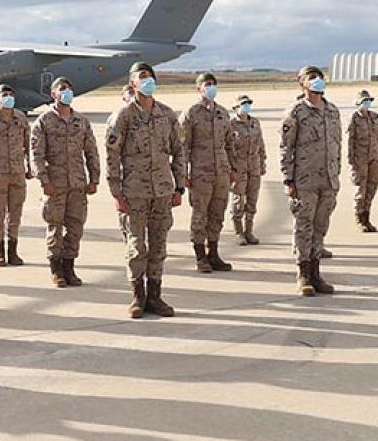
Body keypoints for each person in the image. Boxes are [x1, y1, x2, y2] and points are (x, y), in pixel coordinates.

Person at [106, 62, 183, 318]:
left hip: (162, 191)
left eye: (151, 76)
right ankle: (137, 296)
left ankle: (155, 296)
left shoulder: (168, 115)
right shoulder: (123, 116)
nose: (148, 80)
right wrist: (116, 192)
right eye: (142, 76)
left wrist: (179, 186)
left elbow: (178, 152)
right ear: (133, 84)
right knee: (137, 246)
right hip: (134, 192)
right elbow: (112, 156)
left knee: (159, 246)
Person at [30, 77, 100, 288]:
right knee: (55, 227)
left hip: (78, 183)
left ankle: (69, 267)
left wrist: (94, 178)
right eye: (62, 89)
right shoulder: (44, 121)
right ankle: (56, 269)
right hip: (55, 184)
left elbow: (91, 151)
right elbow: (36, 153)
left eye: (69, 88)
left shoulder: (81, 121)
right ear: (54, 94)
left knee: (76, 227)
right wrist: (43, 180)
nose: (67, 92)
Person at [280, 65, 340, 296]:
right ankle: (303, 273)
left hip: (328, 179)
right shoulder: (295, 112)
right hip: (304, 180)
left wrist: (337, 174)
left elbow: (336, 146)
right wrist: (288, 180)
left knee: (320, 228)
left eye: (320, 77)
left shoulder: (332, 111)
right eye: (311, 78)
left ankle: (316, 272)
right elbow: (286, 148)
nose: (317, 81)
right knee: (303, 227)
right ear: (302, 84)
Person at [182, 72, 236, 272]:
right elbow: (183, 147)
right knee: (200, 215)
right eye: (207, 84)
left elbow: (230, 144)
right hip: (200, 173)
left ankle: (213, 253)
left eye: (213, 84)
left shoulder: (223, 113)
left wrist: (233, 169)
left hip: (221, 172)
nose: (211, 87)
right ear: (199, 88)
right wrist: (183, 174)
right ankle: (200, 256)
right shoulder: (191, 113)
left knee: (217, 214)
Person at [0, 84, 32, 266]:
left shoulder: (21, 118)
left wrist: (30, 167)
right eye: (4, 94)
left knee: (15, 214)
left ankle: (13, 250)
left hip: (17, 172)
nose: (8, 97)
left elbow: (28, 145)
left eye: (11, 94)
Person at [346, 89, 378, 233]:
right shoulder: (354, 119)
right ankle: (359, 217)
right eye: (364, 101)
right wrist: (351, 159)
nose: (367, 103)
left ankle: (367, 216)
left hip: (374, 158)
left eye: (368, 101)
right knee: (360, 190)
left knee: (371, 188)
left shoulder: (374, 117)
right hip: (360, 159)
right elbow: (350, 140)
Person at [229, 94, 266, 245]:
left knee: (252, 200)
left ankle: (249, 231)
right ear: (236, 107)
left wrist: (262, 163)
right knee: (238, 200)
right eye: (243, 104)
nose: (246, 106)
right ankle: (238, 232)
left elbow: (261, 145)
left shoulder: (255, 123)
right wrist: (231, 169)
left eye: (248, 103)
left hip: (254, 167)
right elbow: (228, 148)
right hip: (239, 168)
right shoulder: (231, 125)